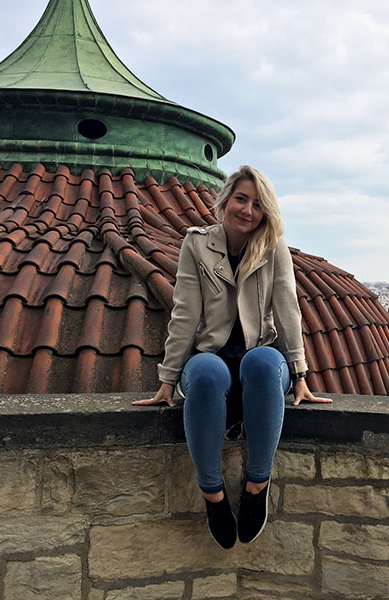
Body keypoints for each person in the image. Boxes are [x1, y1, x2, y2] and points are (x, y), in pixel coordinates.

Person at [133, 165, 330, 549]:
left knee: (262, 363)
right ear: (225, 201)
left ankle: (257, 485)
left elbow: (287, 309)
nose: (248, 210)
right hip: (212, 355)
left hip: (261, 358)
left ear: (266, 212)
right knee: (206, 372)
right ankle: (213, 494)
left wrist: (300, 375)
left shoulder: (272, 247)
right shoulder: (196, 244)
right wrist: (167, 379)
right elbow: (185, 314)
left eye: (258, 204)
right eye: (241, 199)